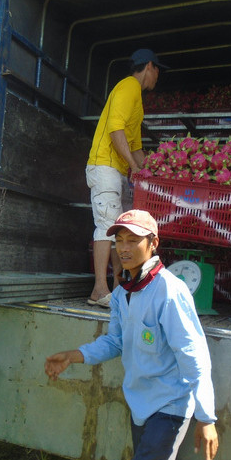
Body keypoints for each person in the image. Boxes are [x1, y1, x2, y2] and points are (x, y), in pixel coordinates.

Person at [45, 209, 218, 460]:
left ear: (153, 244)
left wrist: (206, 417)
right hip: (140, 405)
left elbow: (193, 354)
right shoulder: (122, 293)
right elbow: (116, 341)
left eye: (132, 241)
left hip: (169, 406)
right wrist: (74, 355)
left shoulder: (169, 291)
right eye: (119, 241)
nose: (124, 249)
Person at [86, 49, 167, 308]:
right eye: (157, 71)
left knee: (117, 231)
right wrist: (134, 166)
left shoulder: (137, 100)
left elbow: (135, 147)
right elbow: (115, 129)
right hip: (105, 166)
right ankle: (99, 290)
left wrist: (151, 171)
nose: (157, 78)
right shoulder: (129, 85)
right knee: (105, 226)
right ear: (150, 67)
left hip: (116, 170)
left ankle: (118, 288)